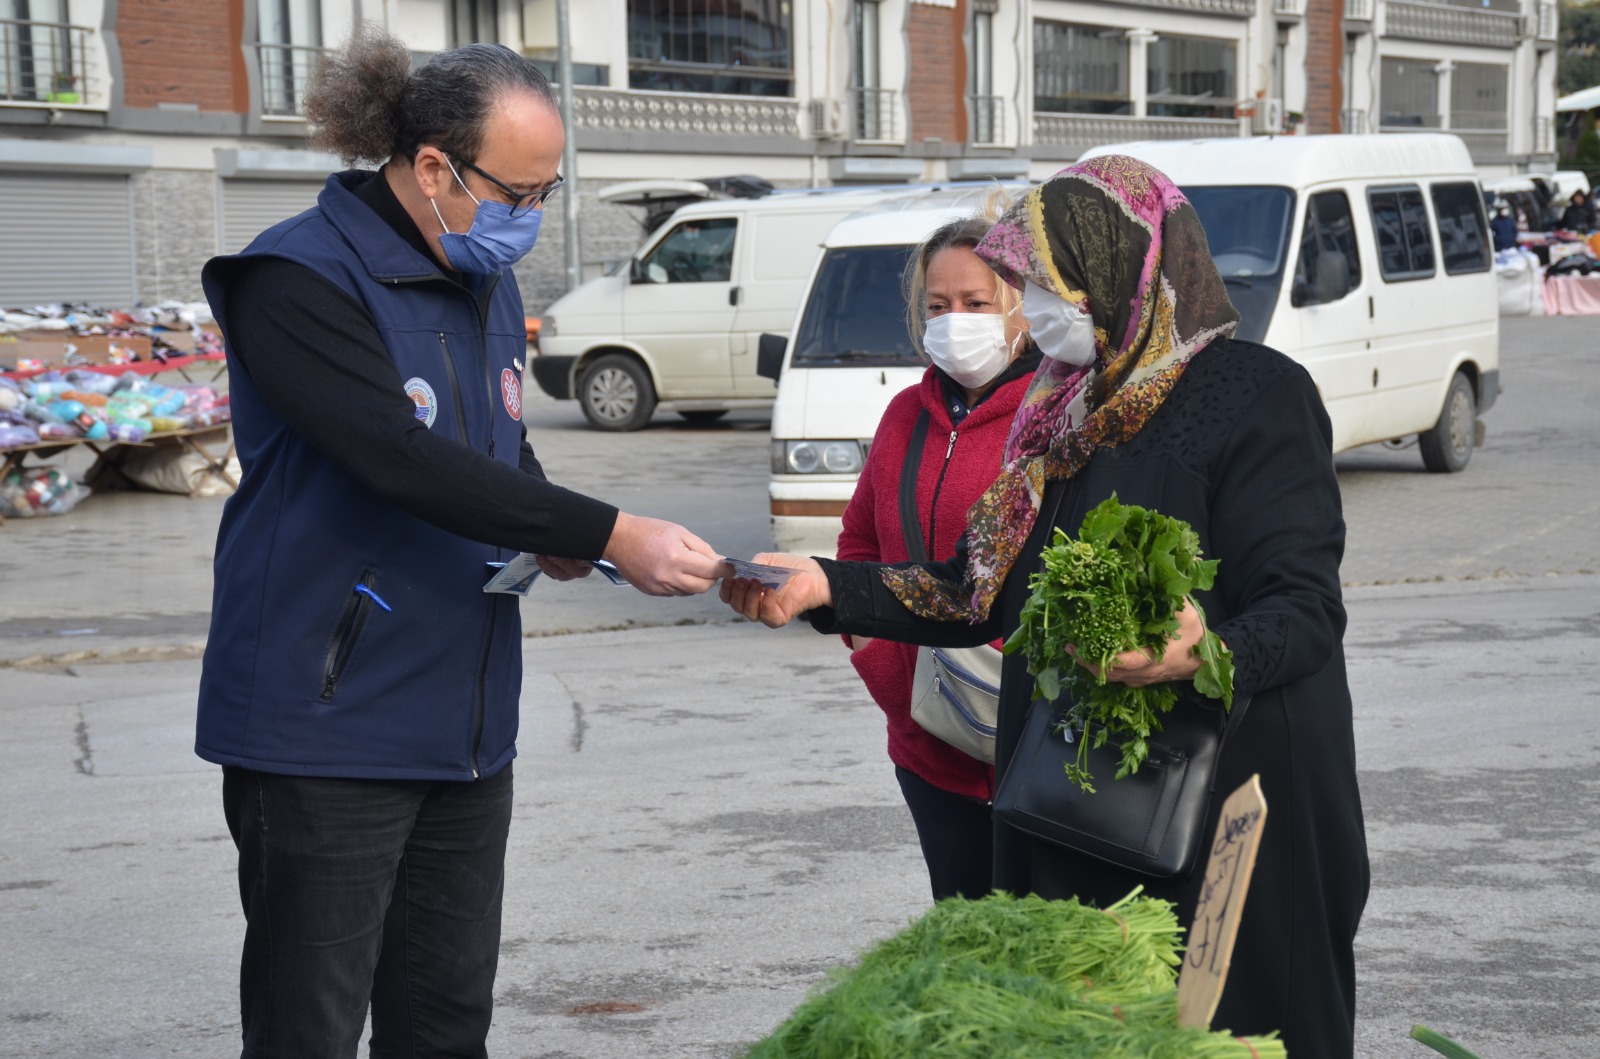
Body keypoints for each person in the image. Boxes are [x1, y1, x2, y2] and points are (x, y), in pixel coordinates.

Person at [723, 156, 1369, 1058]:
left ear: (1124, 268)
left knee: (1239, 1030)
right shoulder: (1060, 412)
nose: (1038, 305)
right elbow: (975, 587)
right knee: (1092, 1027)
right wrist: (830, 584)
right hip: (1082, 800)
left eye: (1048, 283)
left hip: (1233, 799)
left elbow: (1305, 609)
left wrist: (1202, 648)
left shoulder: (1256, 394)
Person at [196, 31, 724, 1058]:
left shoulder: (481, 280)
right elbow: (396, 458)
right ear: (433, 165)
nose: (530, 220)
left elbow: (495, 441)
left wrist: (565, 535)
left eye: (547, 194)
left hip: (466, 724)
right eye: (517, 194)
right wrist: (609, 527)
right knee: (309, 1024)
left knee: (445, 1020)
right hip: (328, 723)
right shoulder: (295, 279)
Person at [838, 199, 1041, 901]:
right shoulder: (904, 416)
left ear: (1019, 306)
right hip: (927, 747)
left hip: (1034, 749)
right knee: (963, 937)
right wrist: (875, 651)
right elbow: (860, 538)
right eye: (938, 304)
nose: (955, 320)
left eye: (976, 301)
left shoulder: (1056, 416)